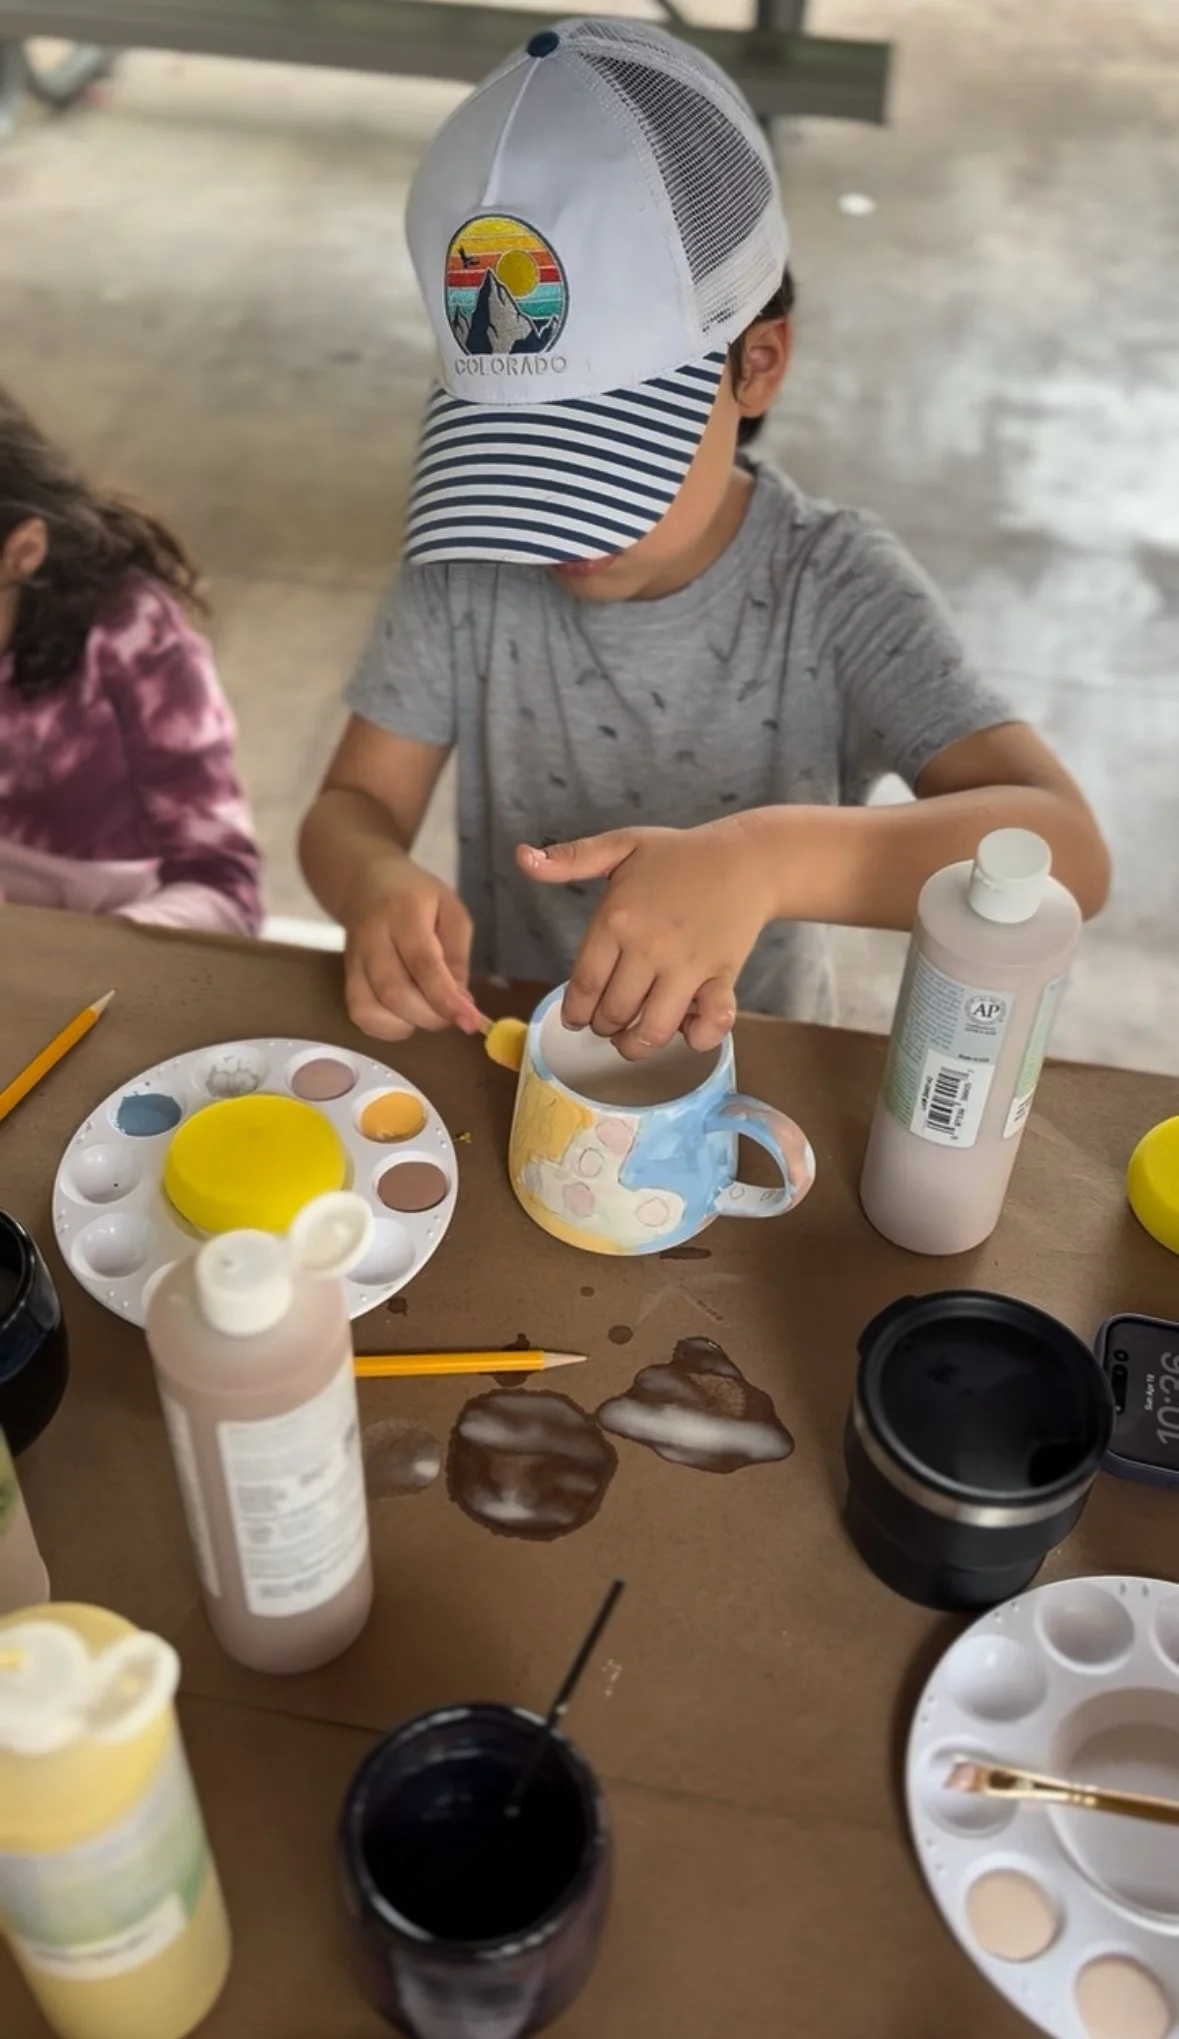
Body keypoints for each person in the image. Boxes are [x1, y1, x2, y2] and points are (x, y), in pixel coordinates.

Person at [300, 20, 1108, 1057]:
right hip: (510, 1060)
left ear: (758, 364)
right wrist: (374, 879)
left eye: (599, 453)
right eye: (513, 454)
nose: (549, 513)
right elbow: (353, 803)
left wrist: (766, 860)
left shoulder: (831, 588)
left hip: (741, 1077)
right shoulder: (470, 561)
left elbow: (1068, 852)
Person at [0, 387, 262, 935]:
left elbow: (224, 888)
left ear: (23, 552)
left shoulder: (129, 633)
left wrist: (85, 952)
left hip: (110, 960)